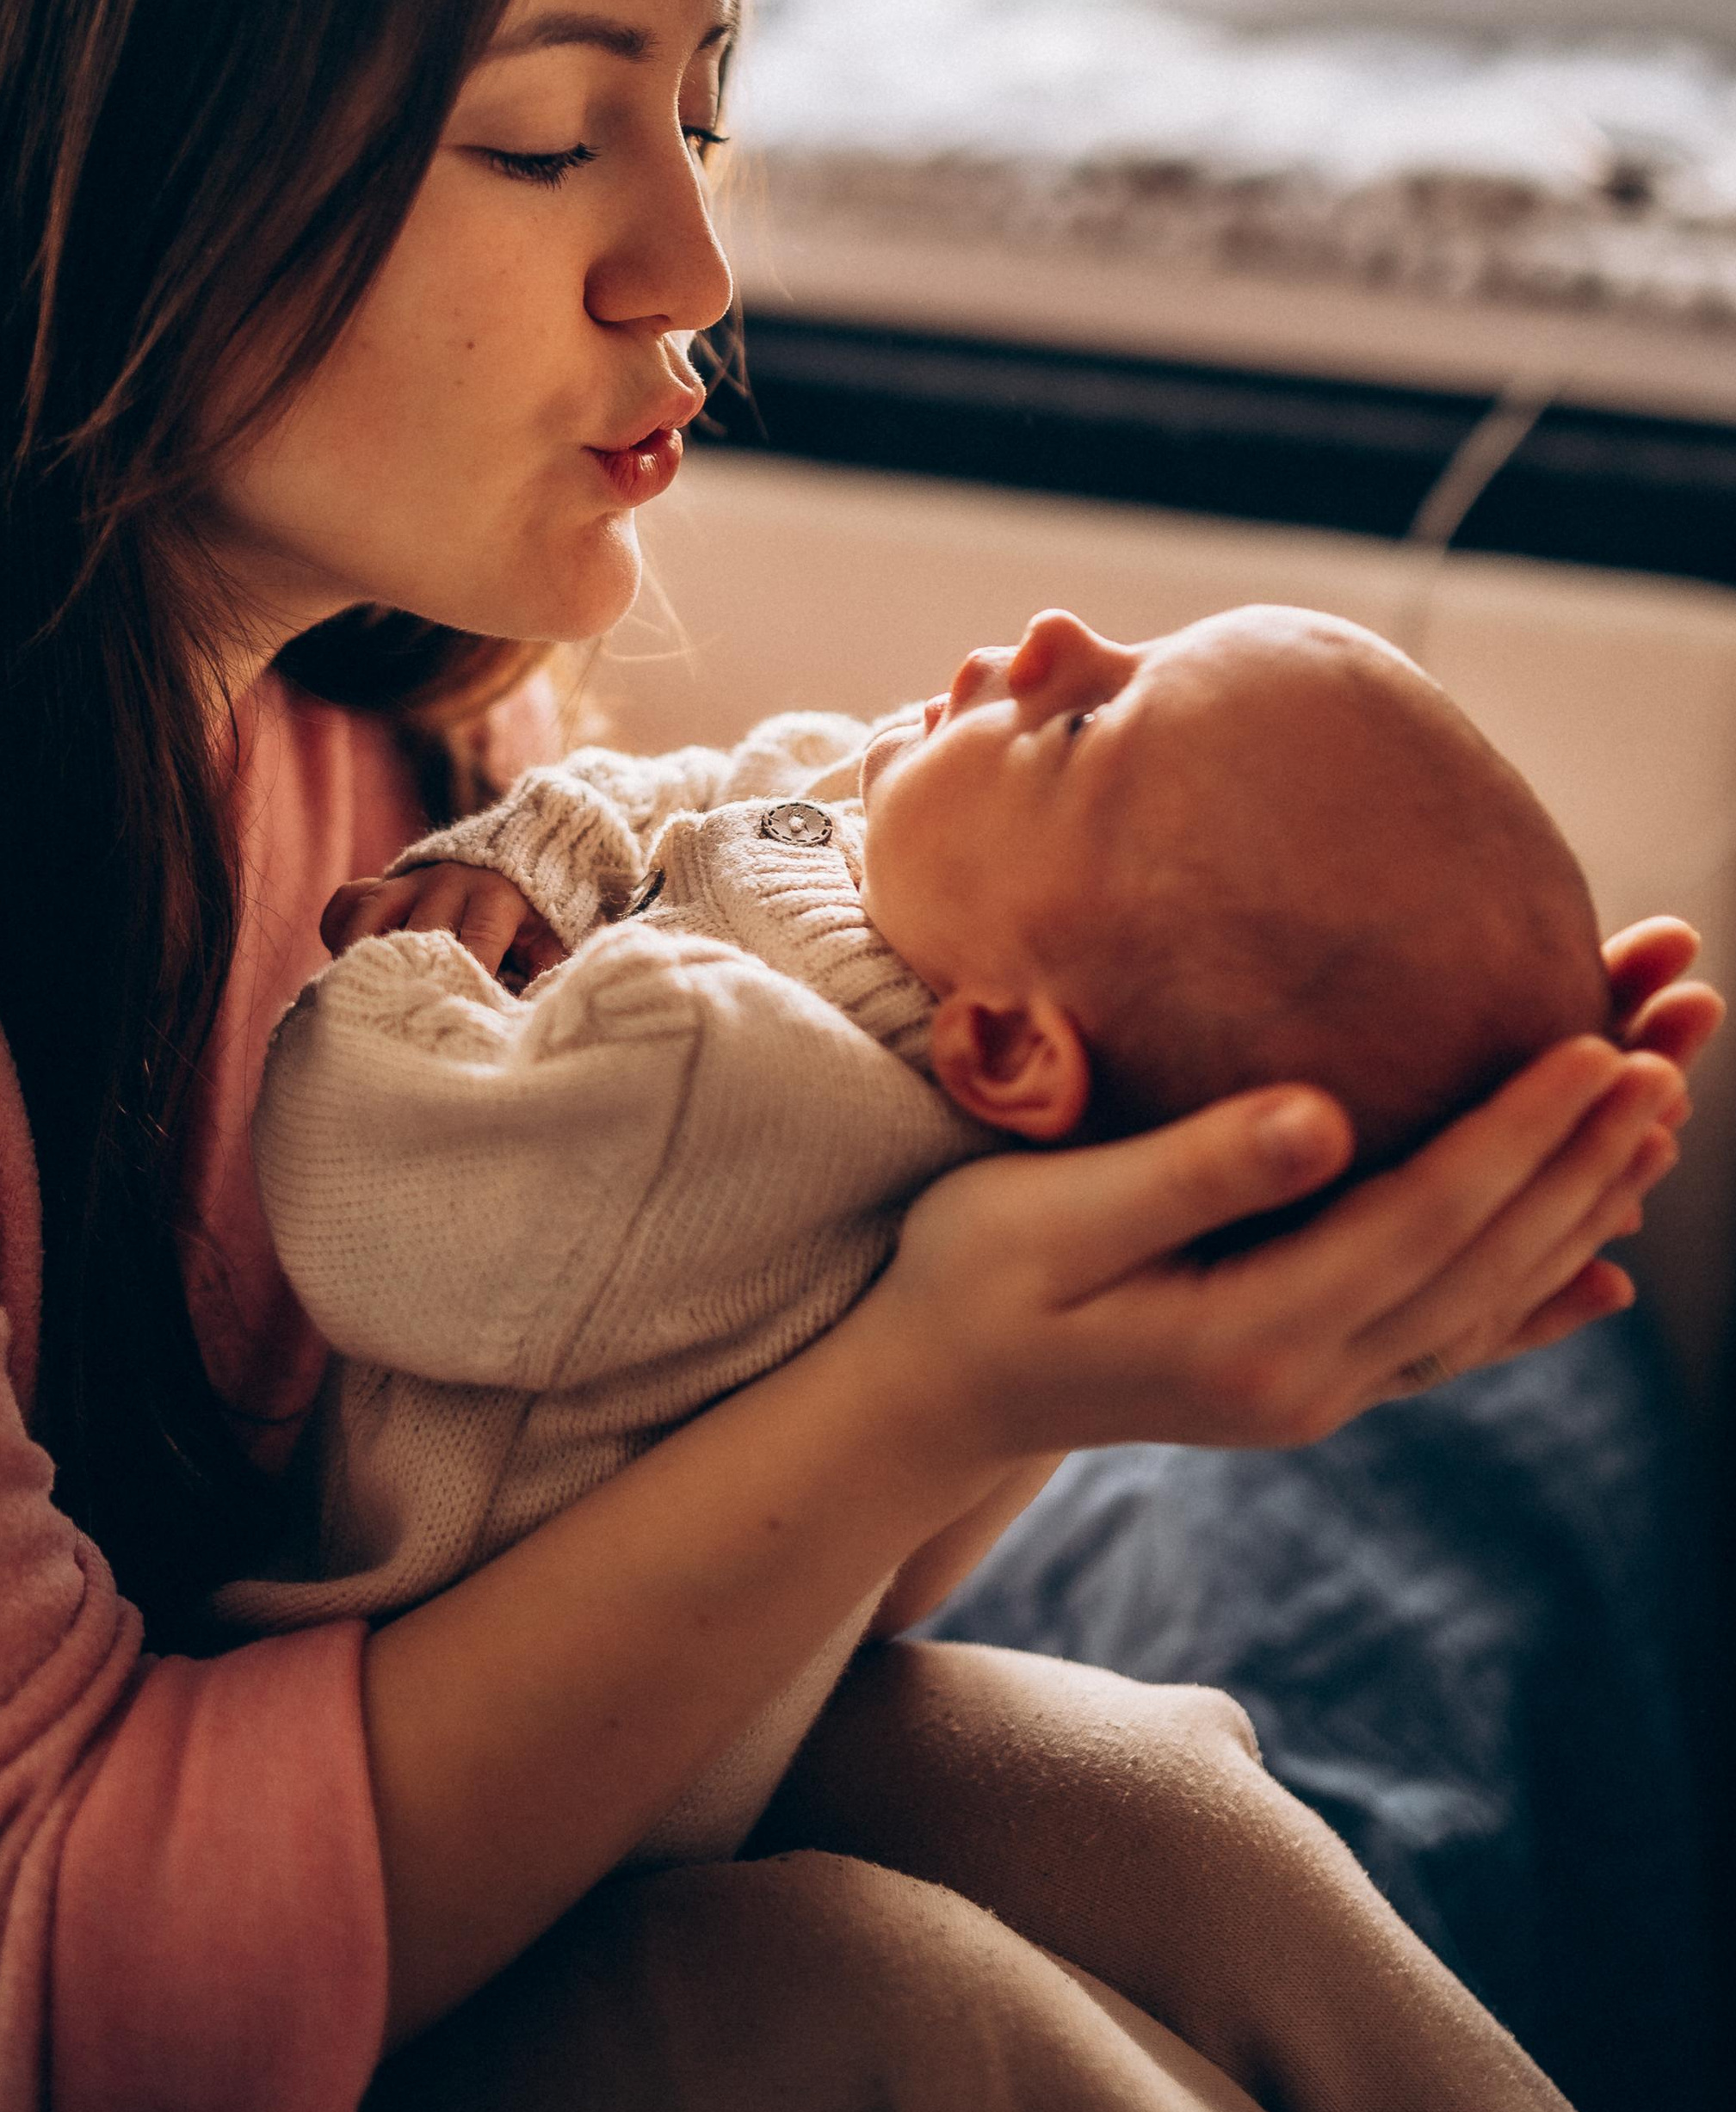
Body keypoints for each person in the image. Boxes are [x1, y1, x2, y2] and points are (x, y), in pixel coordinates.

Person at [0, 0, 1720, 2112]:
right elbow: (6, 2067)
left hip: (215, 1852)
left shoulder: (392, 718)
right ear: (102, 137)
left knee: (1160, 1810)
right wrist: (933, 1384)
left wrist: (1087, 1309)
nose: (695, 267)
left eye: (701, 117)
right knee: (883, 2029)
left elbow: (619, 1495)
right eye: (541, 142)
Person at [248, 603, 1610, 1865]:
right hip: (709, 1697)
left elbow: (364, 1192)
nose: (1061, 638)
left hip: (446, 1715)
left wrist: (416, 958)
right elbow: (751, 787)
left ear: (1012, 1050)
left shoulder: (707, 1080)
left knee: (1188, 1818)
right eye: (1132, 651)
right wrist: (540, 856)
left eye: (1082, 730)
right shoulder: (937, 929)